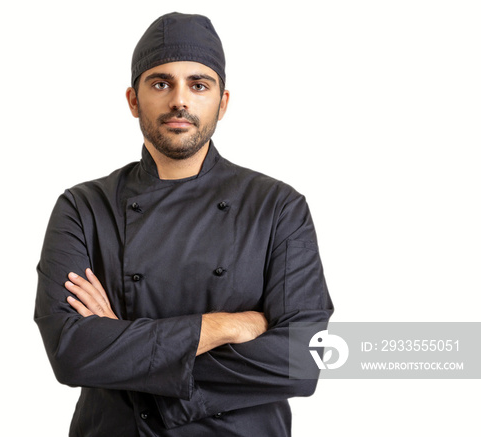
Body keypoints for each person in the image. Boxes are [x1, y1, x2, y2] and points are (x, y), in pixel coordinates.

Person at [34, 12, 333, 436]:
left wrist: (122, 346)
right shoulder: (82, 208)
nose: (180, 100)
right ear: (133, 100)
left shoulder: (278, 207)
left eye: (198, 84)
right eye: (160, 83)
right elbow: (71, 353)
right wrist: (224, 326)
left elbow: (302, 361)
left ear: (222, 102)